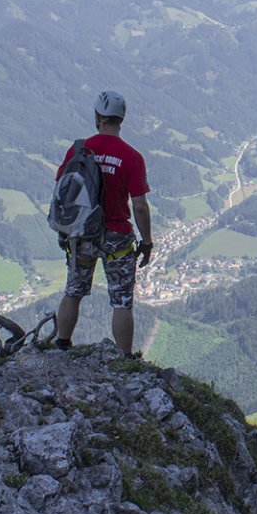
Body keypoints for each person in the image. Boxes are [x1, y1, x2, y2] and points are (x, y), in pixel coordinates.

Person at [54, 90, 153, 356]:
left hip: (82, 232)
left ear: (98, 116)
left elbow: (62, 187)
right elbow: (140, 206)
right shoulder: (132, 157)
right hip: (116, 236)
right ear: (121, 120)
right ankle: (124, 357)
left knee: (73, 289)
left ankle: (62, 344)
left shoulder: (79, 150)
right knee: (121, 301)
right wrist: (147, 242)